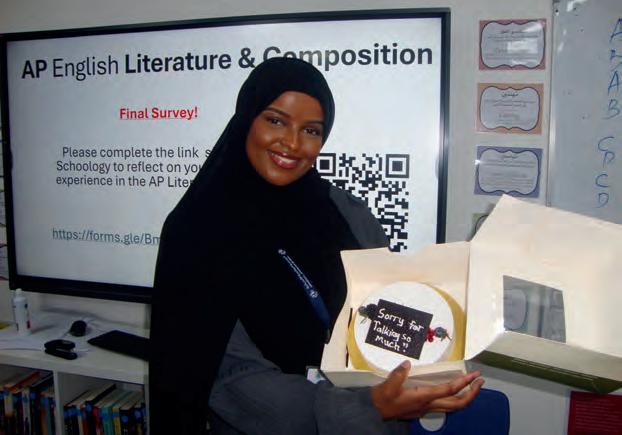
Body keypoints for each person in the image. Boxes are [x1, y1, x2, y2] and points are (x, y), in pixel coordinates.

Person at [149, 57, 483, 435]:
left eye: (310, 130)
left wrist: (431, 371)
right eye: (275, 121)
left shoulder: (347, 213)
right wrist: (366, 406)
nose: (292, 143)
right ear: (247, 119)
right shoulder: (196, 231)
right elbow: (230, 377)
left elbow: (390, 316)